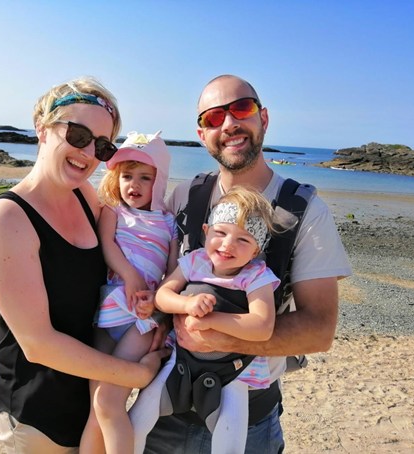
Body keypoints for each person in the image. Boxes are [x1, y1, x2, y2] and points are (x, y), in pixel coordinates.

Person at [143, 74, 352, 453]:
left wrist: (225, 334)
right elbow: (152, 275)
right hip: (166, 412)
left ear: (263, 118)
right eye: (213, 118)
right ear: (201, 134)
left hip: (249, 417)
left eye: (242, 108)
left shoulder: (302, 210)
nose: (229, 124)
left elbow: (319, 330)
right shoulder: (185, 197)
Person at [0, 77, 169, 453]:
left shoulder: (84, 195)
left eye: (102, 144)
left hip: (89, 397)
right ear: (42, 128)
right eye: (78, 134)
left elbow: (130, 243)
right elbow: (38, 344)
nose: (88, 153)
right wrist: (138, 373)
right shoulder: (6, 220)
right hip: (38, 412)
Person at [129, 186, 281, 454]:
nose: (227, 245)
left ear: (256, 250)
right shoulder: (195, 260)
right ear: (205, 231)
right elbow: (163, 295)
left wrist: (212, 320)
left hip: (236, 370)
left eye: (243, 240)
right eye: (220, 233)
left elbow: (262, 326)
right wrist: (187, 304)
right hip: (181, 358)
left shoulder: (257, 276)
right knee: (139, 419)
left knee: (230, 438)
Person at [79, 131, 179, 453]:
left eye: (144, 177)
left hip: (141, 316)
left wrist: (158, 298)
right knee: (96, 405)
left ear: (160, 180)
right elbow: (107, 244)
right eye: (127, 176)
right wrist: (130, 275)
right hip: (109, 309)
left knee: (109, 401)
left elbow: (175, 271)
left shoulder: (168, 222)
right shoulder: (113, 211)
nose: (133, 185)